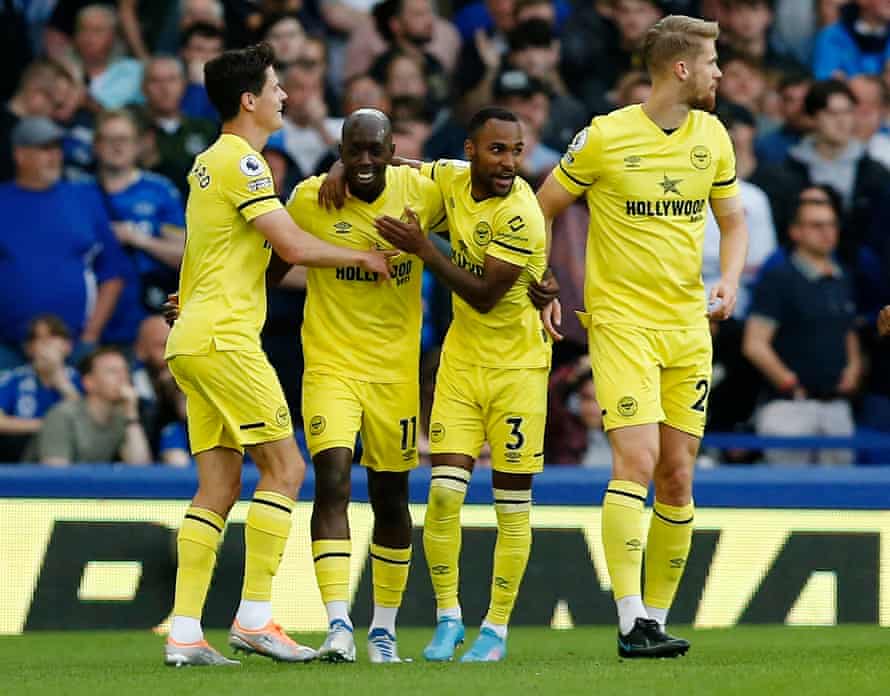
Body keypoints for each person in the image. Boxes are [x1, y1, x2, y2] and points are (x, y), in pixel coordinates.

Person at [161, 42, 393, 667]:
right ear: (249, 100)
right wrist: (362, 256)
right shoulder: (246, 164)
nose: (284, 96)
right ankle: (255, 619)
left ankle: (184, 633)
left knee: (218, 483)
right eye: (274, 86)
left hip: (192, 339)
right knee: (287, 471)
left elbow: (224, 256)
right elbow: (290, 245)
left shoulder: (208, 164)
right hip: (225, 339)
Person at [535, 15, 749, 658]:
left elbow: (733, 223)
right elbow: (542, 206)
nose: (719, 72)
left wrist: (730, 281)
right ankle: (629, 621)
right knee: (635, 462)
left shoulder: (712, 136)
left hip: (688, 327)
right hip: (622, 324)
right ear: (680, 68)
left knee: (678, 476)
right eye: (711, 61)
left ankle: (655, 618)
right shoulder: (604, 136)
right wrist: (543, 280)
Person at [373, 107, 552, 662]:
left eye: (517, 151)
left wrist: (425, 249)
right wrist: (340, 172)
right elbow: (404, 163)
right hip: (461, 365)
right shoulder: (452, 176)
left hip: (519, 370)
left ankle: (495, 628)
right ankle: (449, 617)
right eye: (498, 150)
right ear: (471, 150)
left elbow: (483, 294)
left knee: (511, 506)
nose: (510, 163)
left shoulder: (522, 213)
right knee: (445, 494)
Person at [286, 109, 445, 664]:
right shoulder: (309, 199)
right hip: (330, 364)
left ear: (393, 148)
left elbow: (474, 198)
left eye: (378, 150)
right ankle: (336, 625)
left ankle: (383, 629)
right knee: (331, 479)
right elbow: (265, 255)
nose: (366, 162)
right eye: (355, 151)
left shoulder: (420, 191)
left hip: (395, 373)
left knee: (390, 497)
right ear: (340, 149)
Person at [743, 197, 860, 465]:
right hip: (790, 407)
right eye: (816, 225)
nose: (827, 232)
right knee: (788, 494)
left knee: (843, 496)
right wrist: (788, 381)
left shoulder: (841, 277)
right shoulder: (779, 278)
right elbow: (755, 343)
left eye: (831, 224)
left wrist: (853, 368)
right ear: (795, 231)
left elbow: (847, 329)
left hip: (836, 405)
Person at [29, 347, 151, 466]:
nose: (123, 377)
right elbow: (55, 476)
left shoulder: (121, 417)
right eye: (112, 371)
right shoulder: (62, 416)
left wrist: (131, 414)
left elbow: (140, 467)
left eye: (125, 371)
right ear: (89, 383)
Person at [0, 315, 81, 463]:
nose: (46, 343)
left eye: (53, 336)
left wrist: (62, 384)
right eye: (38, 338)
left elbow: (87, 423)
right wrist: (46, 426)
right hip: (19, 451)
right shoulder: (12, 378)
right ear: (29, 348)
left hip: (70, 453)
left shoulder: (83, 379)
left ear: (68, 346)